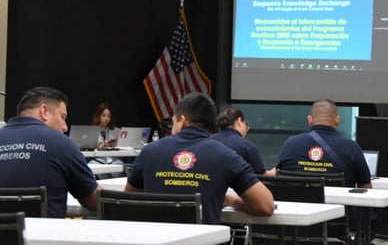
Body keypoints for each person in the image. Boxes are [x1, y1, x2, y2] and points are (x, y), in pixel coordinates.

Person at [125, 92, 274, 224]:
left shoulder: (149, 152)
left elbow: (129, 199)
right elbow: (265, 205)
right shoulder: (226, 156)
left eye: (173, 121)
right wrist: (232, 201)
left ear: (182, 121)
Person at [276, 99, 374, 240]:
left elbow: (280, 177)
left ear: (310, 120)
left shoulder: (290, 144)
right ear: (337, 120)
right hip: (338, 227)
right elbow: (366, 187)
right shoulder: (351, 147)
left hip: (296, 226)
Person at [0, 86, 101, 218]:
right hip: (42, 236)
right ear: (44, 111)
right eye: (62, 117)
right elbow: (93, 200)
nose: (65, 127)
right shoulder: (62, 144)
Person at [212, 107, 276, 176]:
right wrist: (275, 171)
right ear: (239, 121)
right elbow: (260, 175)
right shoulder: (246, 146)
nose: (246, 129)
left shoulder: (207, 140)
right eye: (246, 125)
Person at [89, 102, 124, 177]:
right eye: (103, 116)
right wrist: (100, 147)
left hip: (114, 160)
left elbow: (123, 147)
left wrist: (116, 146)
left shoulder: (117, 131)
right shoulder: (92, 131)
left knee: (120, 166)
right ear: (98, 116)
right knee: (90, 167)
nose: (106, 118)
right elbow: (88, 149)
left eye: (109, 116)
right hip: (98, 160)